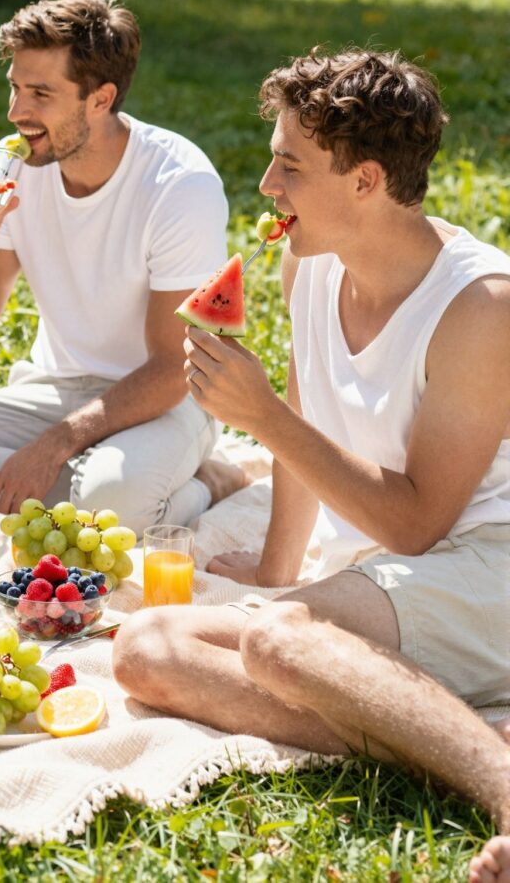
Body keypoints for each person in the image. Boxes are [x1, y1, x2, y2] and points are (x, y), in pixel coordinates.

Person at [111, 49, 510, 853]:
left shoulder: (480, 308)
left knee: (276, 642)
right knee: (147, 650)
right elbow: (304, 410)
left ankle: (499, 778)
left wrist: (259, 416)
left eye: (290, 167)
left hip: (485, 565)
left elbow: (416, 526)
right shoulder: (310, 265)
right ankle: (447, 723)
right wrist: (275, 570)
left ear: (366, 180)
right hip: (389, 577)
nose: (268, 186)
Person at [0, 0, 245, 529]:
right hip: (55, 388)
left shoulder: (178, 186)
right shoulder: (20, 165)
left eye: (40, 94)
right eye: (15, 88)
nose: (16, 113)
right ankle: (99, 488)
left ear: (101, 99)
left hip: (165, 399)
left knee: (112, 500)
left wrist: (54, 445)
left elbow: (174, 368)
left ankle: (209, 482)